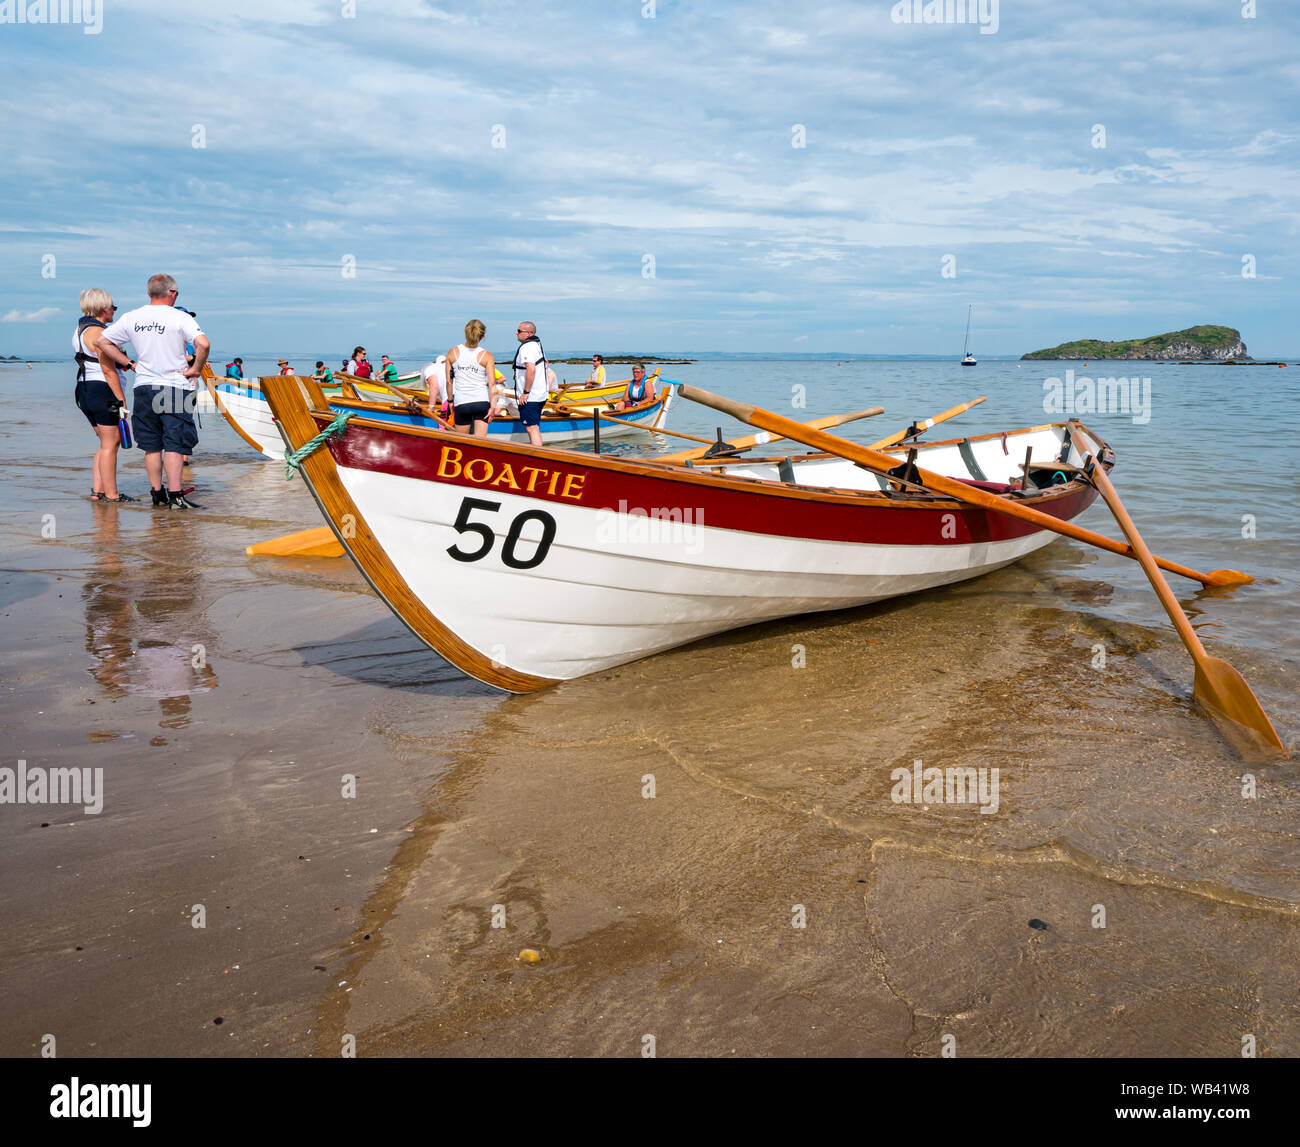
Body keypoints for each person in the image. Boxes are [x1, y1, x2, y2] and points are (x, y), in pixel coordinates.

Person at [96, 273, 209, 510]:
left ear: (148, 293)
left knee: (151, 444)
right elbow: (204, 343)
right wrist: (196, 369)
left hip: (144, 386)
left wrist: (128, 363)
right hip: (174, 386)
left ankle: (157, 494)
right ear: (173, 294)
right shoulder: (179, 317)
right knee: (175, 443)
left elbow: (103, 342)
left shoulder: (132, 317)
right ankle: (176, 496)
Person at [74, 288, 135, 502]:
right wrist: (122, 400)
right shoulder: (99, 334)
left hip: (84, 390)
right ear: (103, 309)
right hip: (102, 391)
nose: (114, 311)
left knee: (104, 442)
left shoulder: (81, 330)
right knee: (112, 443)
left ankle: (98, 491)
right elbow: (109, 370)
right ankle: (112, 494)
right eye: (113, 307)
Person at [446, 319, 497, 437]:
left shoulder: (452, 352)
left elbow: (449, 381)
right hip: (481, 402)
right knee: (481, 442)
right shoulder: (487, 355)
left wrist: (450, 401)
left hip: (462, 402)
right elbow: (492, 384)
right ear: (482, 336)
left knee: (462, 442)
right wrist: (493, 406)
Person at [511, 320, 549, 447]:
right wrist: (519, 373)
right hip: (540, 395)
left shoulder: (527, 347)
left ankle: (538, 456)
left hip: (531, 397)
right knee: (535, 427)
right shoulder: (537, 345)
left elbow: (531, 369)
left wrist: (525, 393)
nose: (516, 333)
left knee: (532, 428)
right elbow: (545, 363)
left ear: (528, 333)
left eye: (519, 331)